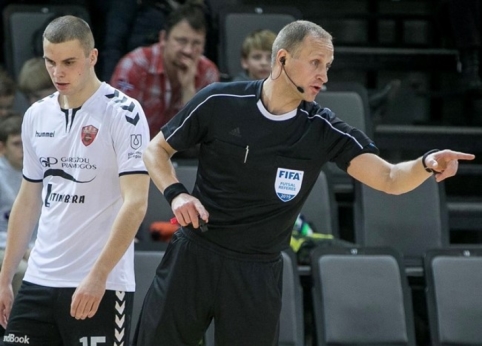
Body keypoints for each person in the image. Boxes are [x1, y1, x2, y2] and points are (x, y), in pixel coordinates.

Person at [134, 20, 475, 345]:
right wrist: (177, 194)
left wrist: (426, 163)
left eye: (327, 65)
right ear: (282, 59)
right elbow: (156, 150)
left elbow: (389, 178)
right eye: (316, 62)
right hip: (195, 255)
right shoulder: (220, 100)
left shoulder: (322, 129)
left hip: (258, 271)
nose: (323, 76)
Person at [0, 15, 150, 345]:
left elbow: (137, 202)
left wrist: (98, 276)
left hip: (102, 283)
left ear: (92, 57)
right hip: (40, 278)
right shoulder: (37, 115)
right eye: (50, 62)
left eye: (69, 62)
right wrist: (5, 277)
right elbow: (28, 200)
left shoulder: (124, 112)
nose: (58, 72)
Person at [110, 1, 220, 140]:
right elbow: (117, 127)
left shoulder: (208, 73)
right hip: (136, 151)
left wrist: (188, 91)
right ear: (163, 38)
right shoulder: (135, 65)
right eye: (181, 41)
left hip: (184, 156)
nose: (188, 50)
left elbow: (205, 139)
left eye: (196, 43)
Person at [0, 115, 30, 298]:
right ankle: (13, 326)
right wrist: (21, 248)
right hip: (3, 244)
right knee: (22, 271)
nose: (24, 150)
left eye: (26, 143)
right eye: (17, 144)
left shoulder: (41, 172)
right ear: (2, 147)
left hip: (30, 246)